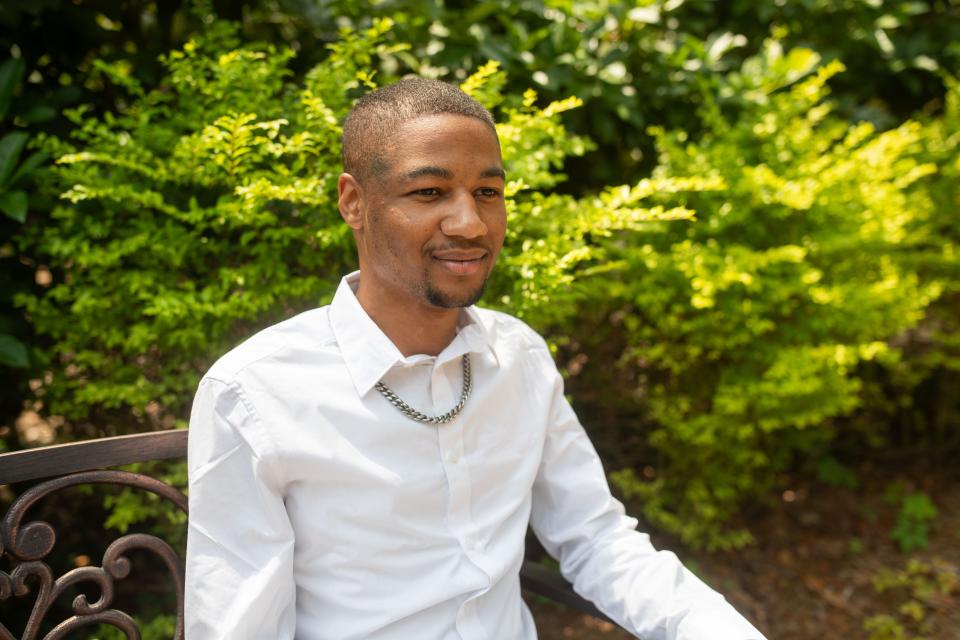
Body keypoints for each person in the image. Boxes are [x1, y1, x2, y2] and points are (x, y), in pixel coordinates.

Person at [185, 77, 766, 640]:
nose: (470, 223)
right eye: (429, 192)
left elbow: (595, 537)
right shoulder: (254, 391)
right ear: (354, 202)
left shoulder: (519, 357)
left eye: (487, 193)